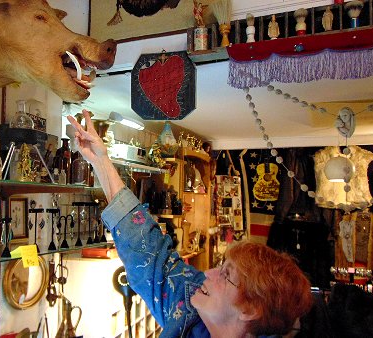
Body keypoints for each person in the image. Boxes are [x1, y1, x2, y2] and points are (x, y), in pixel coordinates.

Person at [68, 109, 313, 338]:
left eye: (226, 276)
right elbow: (146, 248)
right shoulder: (191, 304)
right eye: (221, 267)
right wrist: (101, 161)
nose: (207, 274)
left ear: (249, 310)